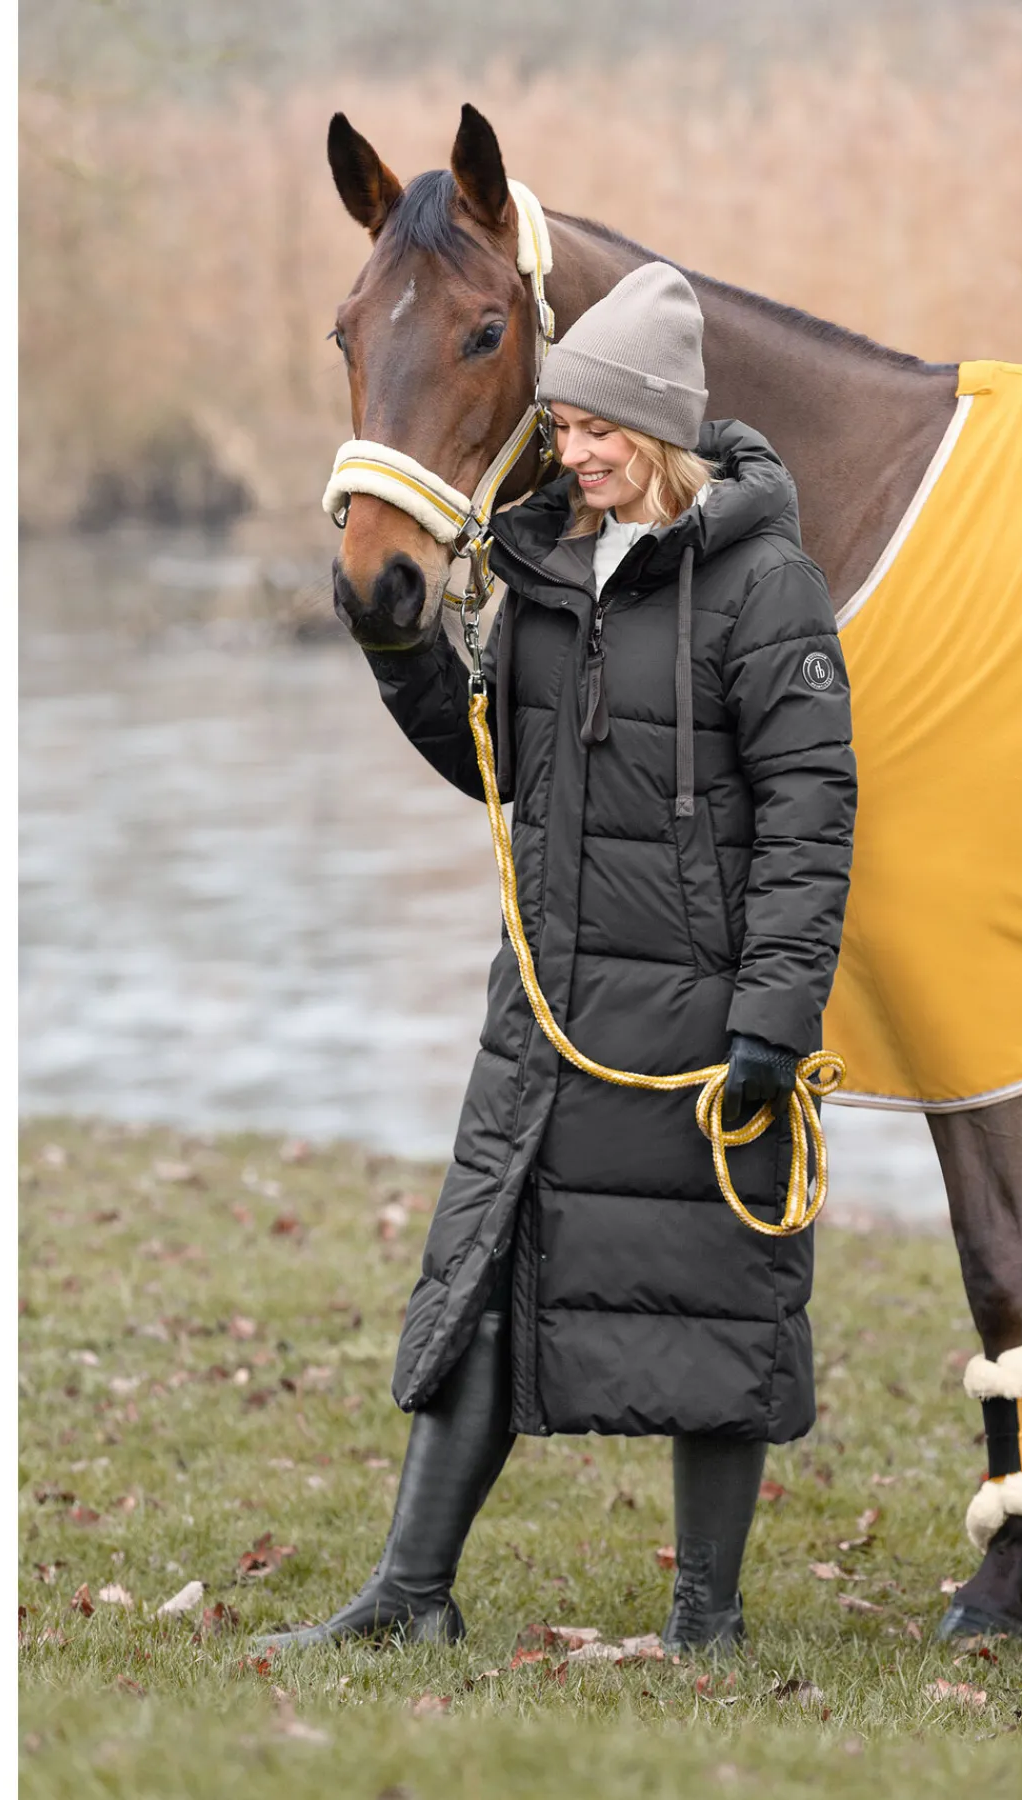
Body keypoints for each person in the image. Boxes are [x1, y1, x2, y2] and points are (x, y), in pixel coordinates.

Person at [257, 262, 856, 1654]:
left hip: (701, 1026)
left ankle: (706, 1621)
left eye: (599, 432)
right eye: (566, 427)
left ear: (661, 432)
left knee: (718, 1308)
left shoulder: (768, 586)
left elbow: (811, 821)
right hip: (548, 1007)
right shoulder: (538, 571)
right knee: (477, 1284)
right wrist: (405, 660)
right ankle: (411, 1596)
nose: (573, 454)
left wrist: (771, 1024)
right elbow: (501, 766)